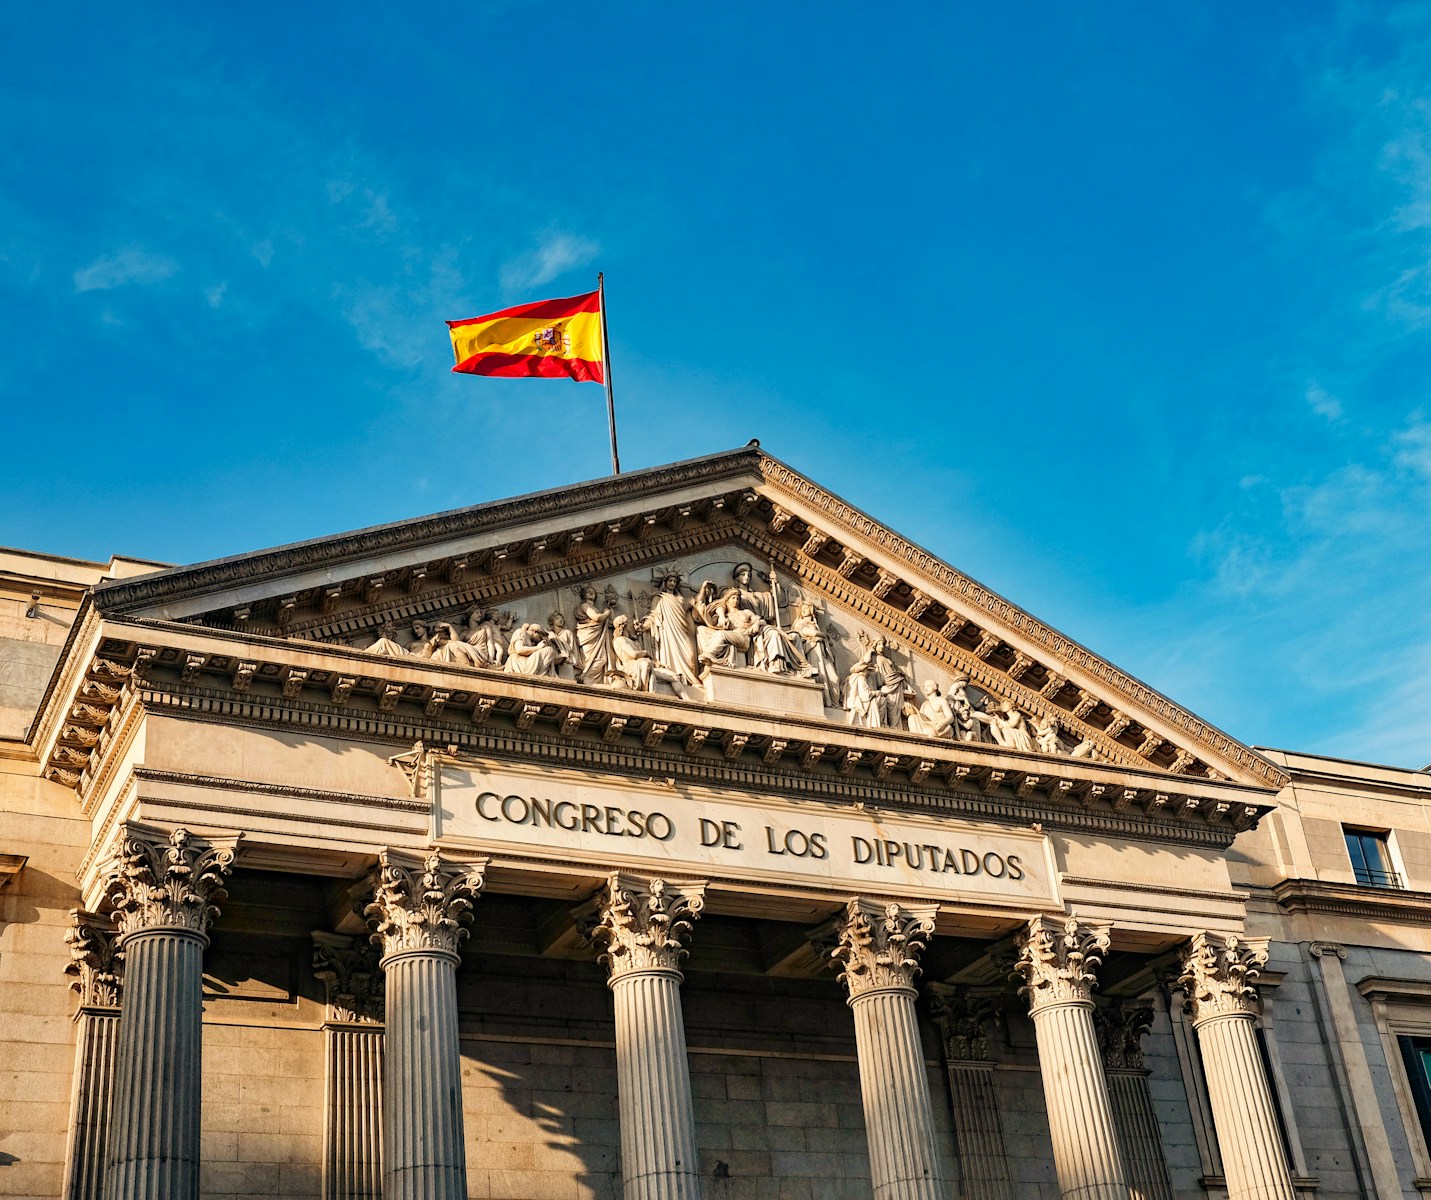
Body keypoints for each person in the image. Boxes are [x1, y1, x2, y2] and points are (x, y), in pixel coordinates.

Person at [644, 572, 701, 684]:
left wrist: (703, 588)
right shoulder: (659, 597)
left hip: (681, 630)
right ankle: (673, 678)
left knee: (690, 655)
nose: (672, 583)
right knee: (669, 651)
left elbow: (695, 600)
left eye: (675, 581)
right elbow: (653, 615)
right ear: (665, 582)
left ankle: (689, 679)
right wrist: (643, 626)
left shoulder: (680, 599)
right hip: (667, 630)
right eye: (670, 581)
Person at [790, 601, 840, 707]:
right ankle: (822, 703)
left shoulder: (815, 624)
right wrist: (823, 635)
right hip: (812, 651)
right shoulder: (799, 623)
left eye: (806, 608)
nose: (803, 610)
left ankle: (835, 704)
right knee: (819, 676)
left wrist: (821, 636)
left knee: (834, 678)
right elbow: (809, 633)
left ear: (812, 609)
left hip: (822, 653)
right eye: (802, 609)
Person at [574, 586, 617, 685]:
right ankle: (586, 678)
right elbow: (596, 618)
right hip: (588, 635)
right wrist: (606, 612)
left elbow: (611, 623)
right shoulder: (585, 606)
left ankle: (590, 680)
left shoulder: (596, 608)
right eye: (588, 592)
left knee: (601, 659)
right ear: (583, 595)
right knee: (590, 659)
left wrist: (610, 608)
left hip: (597, 635)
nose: (591, 593)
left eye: (593, 591)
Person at [841, 659, 880, 728]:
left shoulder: (850, 678)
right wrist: (876, 693)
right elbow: (865, 696)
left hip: (851, 702)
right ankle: (875, 724)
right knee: (877, 701)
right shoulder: (861, 678)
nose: (868, 673)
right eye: (867, 670)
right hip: (857, 703)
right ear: (863, 670)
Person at [547, 612, 581, 680]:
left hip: (566, 661)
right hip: (555, 662)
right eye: (557, 618)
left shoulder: (567, 633)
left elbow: (573, 649)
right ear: (552, 622)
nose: (560, 620)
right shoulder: (550, 635)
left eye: (562, 619)